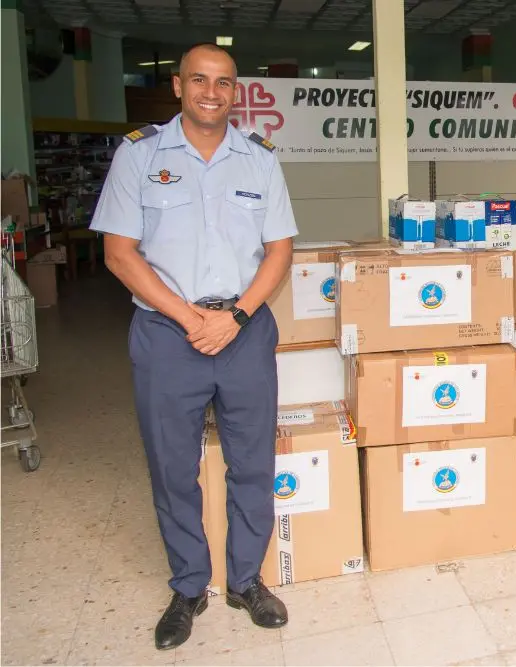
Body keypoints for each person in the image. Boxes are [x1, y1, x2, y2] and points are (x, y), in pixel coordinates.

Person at [90, 43, 297, 649]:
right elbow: (118, 253)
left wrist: (233, 316)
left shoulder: (259, 161)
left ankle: (245, 581)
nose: (213, 91)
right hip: (165, 335)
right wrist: (189, 318)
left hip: (245, 330)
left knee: (253, 463)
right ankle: (188, 585)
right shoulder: (139, 155)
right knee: (172, 467)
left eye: (225, 83)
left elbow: (279, 250)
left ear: (237, 92)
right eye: (200, 80)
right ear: (178, 86)